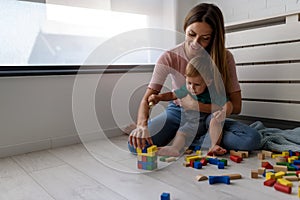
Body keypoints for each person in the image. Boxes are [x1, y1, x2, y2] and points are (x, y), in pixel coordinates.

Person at [128, 3, 261, 153]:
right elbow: (148, 98)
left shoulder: (225, 58)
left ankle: (188, 139)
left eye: (205, 38)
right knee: (136, 145)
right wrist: (142, 126)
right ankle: (197, 138)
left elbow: (236, 107)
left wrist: (197, 106)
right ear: (185, 28)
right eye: (191, 34)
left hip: (212, 117)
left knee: (251, 140)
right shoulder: (169, 57)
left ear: (213, 38)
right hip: (179, 113)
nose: (195, 43)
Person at [147, 55, 227, 156]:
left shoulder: (212, 92)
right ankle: (175, 149)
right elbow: (172, 95)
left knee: (215, 120)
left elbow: (225, 104)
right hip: (192, 123)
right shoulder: (186, 89)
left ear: (208, 82)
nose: (192, 87)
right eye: (189, 82)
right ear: (186, 77)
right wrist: (159, 97)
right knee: (181, 132)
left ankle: (214, 145)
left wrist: (222, 112)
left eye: (197, 85)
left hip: (207, 121)